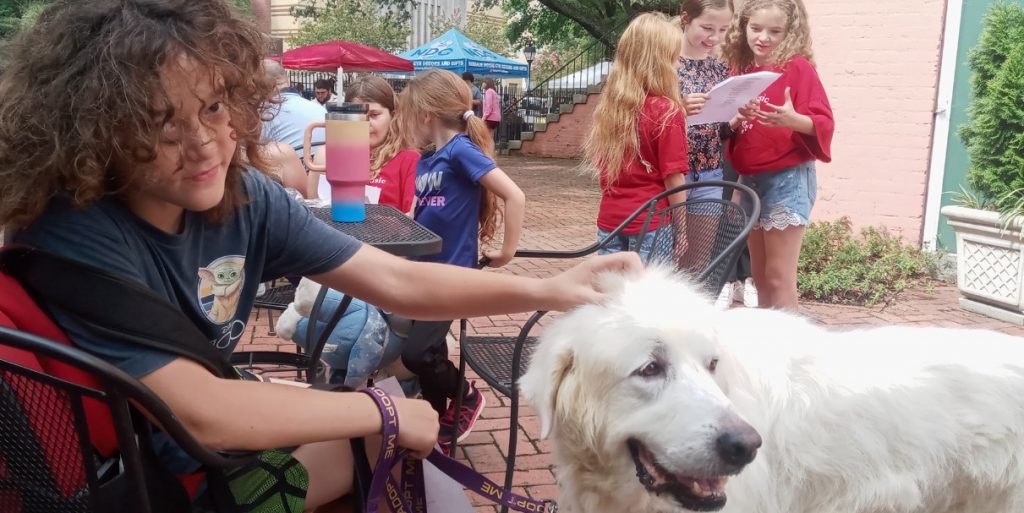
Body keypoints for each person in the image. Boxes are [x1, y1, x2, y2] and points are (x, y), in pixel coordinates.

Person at [0, 1, 641, 511]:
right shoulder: (76, 229)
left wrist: (552, 288)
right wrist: (382, 409)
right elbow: (200, 410)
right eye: (159, 122)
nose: (202, 144)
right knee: (390, 429)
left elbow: (395, 279)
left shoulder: (245, 197)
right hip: (163, 479)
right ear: (95, 131)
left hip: (199, 447)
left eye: (216, 106)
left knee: (393, 433)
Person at [398, 68, 527, 451]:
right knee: (429, 350)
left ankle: (466, 395)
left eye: (408, 116)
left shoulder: (460, 151)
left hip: (452, 274)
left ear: (426, 114)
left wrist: (507, 251)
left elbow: (515, 195)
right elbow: (427, 209)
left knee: (416, 353)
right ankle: (437, 423)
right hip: (424, 269)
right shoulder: (429, 157)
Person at [721, 0, 834, 310]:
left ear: (790, 32)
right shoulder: (741, 70)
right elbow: (729, 124)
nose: (763, 38)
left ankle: (793, 353)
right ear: (743, 27)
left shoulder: (797, 67)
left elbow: (823, 122)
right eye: (756, 28)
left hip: (787, 177)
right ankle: (768, 348)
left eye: (775, 31)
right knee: (759, 276)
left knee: (778, 277)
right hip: (749, 178)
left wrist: (791, 119)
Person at [582, 12, 689, 262]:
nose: (679, 64)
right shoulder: (666, 110)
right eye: (675, 56)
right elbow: (674, 178)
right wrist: (681, 229)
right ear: (660, 61)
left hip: (610, 219)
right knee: (647, 297)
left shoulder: (611, 108)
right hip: (652, 221)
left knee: (612, 295)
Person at [675, 0, 758, 308]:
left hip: (709, 172)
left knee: (698, 265)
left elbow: (719, 130)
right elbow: (641, 121)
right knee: (665, 261)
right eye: (707, 28)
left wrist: (736, 120)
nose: (714, 38)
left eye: (723, 30)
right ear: (686, 17)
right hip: (671, 175)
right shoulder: (665, 64)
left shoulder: (720, 69)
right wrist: (679, 111)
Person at [305, 76, 419, 212]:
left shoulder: (409, 160)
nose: (366, 122)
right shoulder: (332, 154)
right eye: (357, 115)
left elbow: (411, 222)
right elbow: (313, 209)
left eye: (374, 115)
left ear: (393, 116)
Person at [262, 59, 327, 161]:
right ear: (288, 81)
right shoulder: (321, 110)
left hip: (290, 171)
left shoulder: (265, 115)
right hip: (323, 170)